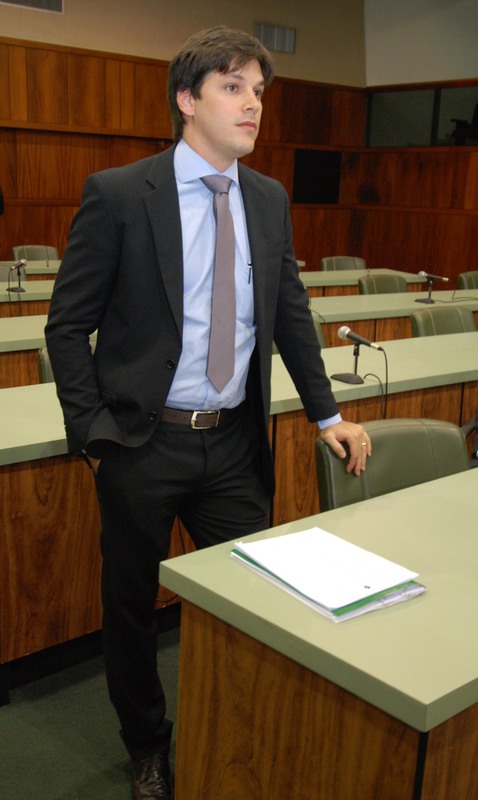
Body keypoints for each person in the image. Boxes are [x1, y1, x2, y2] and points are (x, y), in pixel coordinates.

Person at [45, 25, 371, 800]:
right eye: (232, 87)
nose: (252, 104)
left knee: (251, 597)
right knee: (131, 607)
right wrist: (94, 436)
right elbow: (66, 325)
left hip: (232, 444)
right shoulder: (120, 194)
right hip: (141, 442)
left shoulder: (268, 198)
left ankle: (236, 733)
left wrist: (327, 416)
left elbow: (289, 313)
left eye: (258, 90)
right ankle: (147, 745)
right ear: (187, 101)